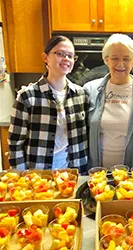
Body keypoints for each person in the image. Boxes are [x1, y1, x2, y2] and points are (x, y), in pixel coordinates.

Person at [8, 36, 89, 174]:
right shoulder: (28, 96)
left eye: (70, 56)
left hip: (75, 171)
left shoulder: (81, 95)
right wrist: (20, 176)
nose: (66, 59)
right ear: (45, 57)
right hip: (39, 173)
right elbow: (15, 142)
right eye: (60, 54)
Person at [84, 33, 133, 173]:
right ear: (106, 60)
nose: (120, 64)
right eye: (115, 58)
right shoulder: (90, 90)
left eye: (126, 59)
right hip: (97, 175)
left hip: (132, 175)